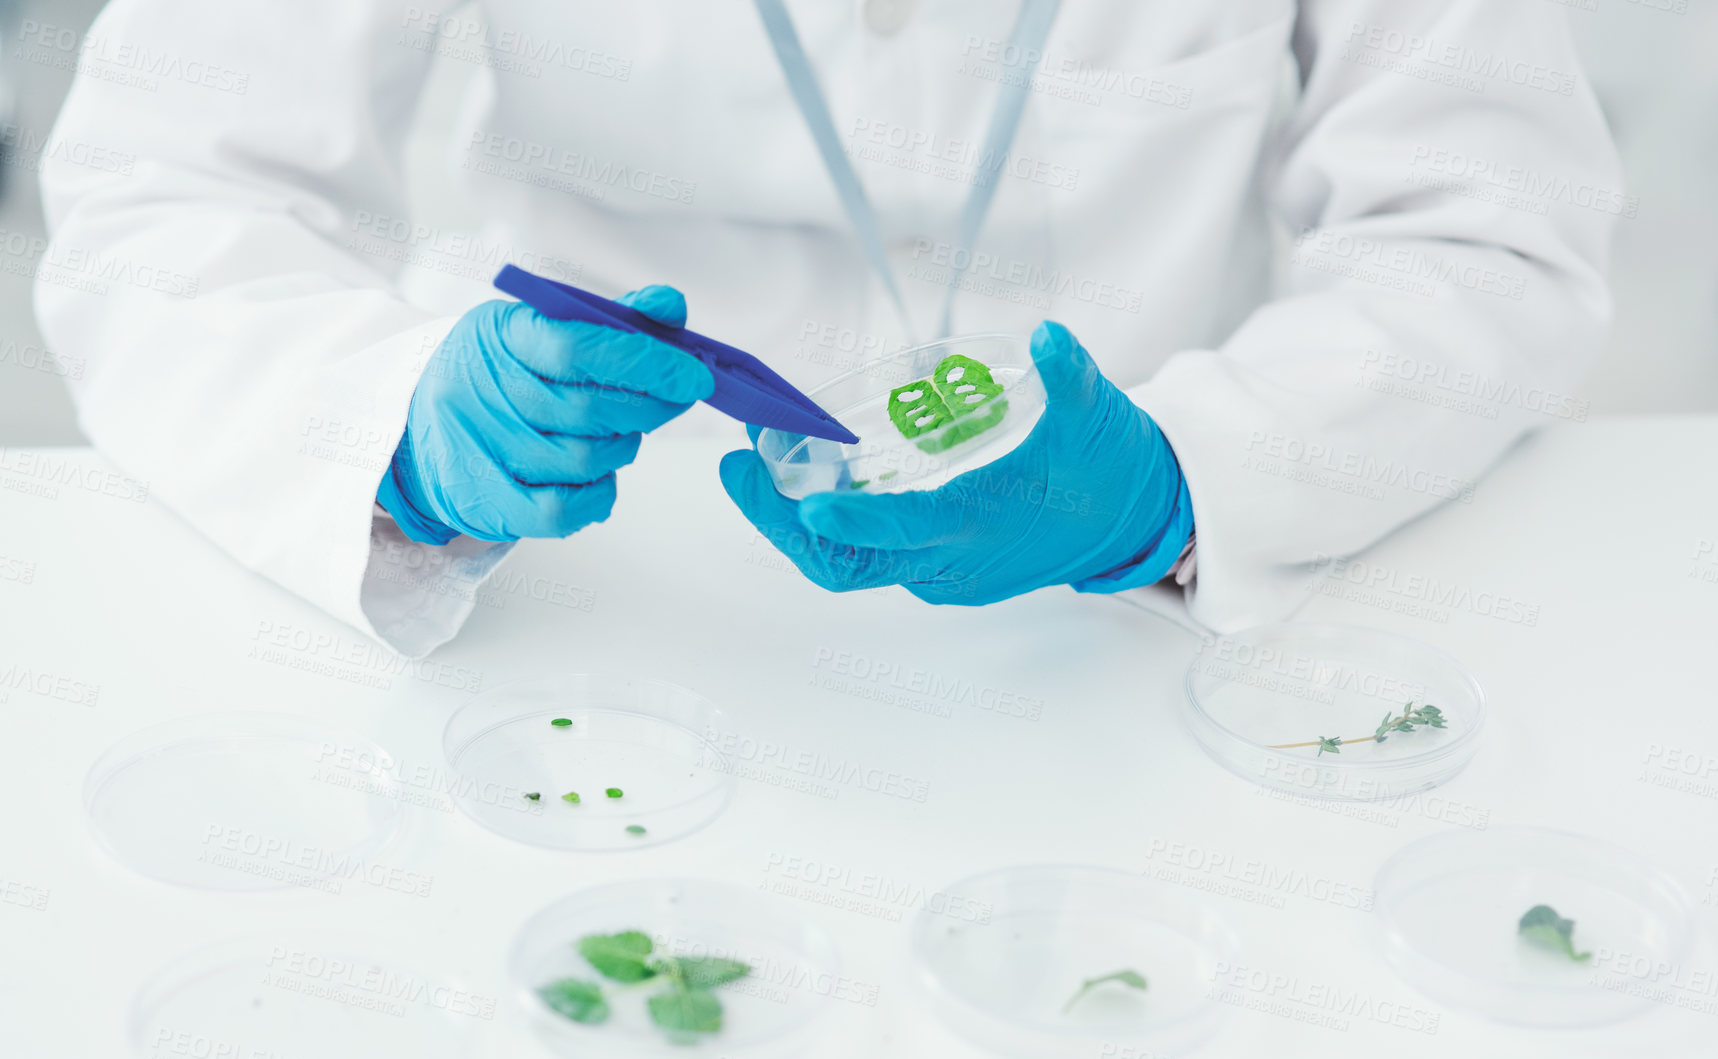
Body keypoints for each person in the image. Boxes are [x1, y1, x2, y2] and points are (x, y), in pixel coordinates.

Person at [37, 0, 1618, 656]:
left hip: (1143, 609)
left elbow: (1485, 227)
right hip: (587, 579)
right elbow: (164, 186)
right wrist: (390, 439)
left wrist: (1196, 479)